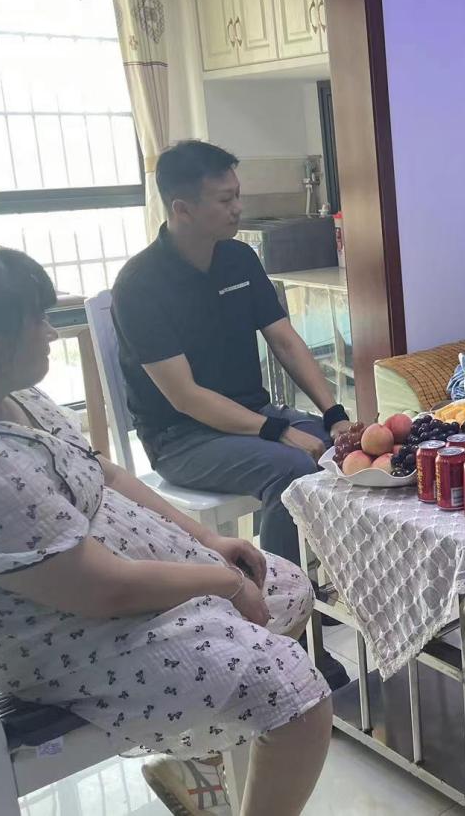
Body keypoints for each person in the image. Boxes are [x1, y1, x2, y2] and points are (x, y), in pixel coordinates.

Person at [0, 247, 333, 816]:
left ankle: (200, 757)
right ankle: (226, 744)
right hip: (71, 636)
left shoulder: (14, 397)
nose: (52, 333)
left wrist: (207, 542)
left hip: (116, 586)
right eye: (39, 320)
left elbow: (105, 471)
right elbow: (102, 590)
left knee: (285, 585)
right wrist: (220, 582)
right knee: (295, 691)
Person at [112, 141, 349, 572]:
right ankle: (276, 590)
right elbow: (186, 397)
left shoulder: (239, 258)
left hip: (250, 415)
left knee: (348, 451)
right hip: (181, 439)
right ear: (182, 209)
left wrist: (334, 413)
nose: (238, 208)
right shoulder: (139, 285)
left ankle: (343, 577)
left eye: (238, 195)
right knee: (292, 467)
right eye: (225, 200)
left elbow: (285, 340)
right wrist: (277, 430)